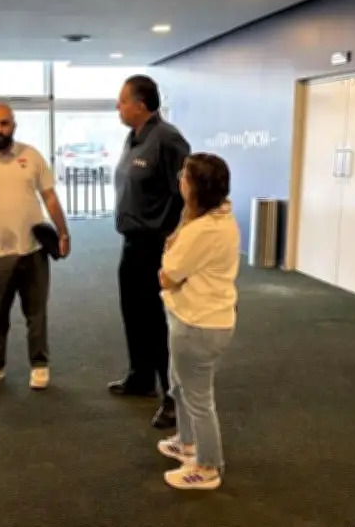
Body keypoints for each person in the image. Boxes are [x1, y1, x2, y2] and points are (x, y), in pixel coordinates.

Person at [0, 102, 70, 391]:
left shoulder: (31, 156)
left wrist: (63, 232)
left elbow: (49, 196)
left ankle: (39, 364)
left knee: (36, 313)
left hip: (33, 250)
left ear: (13, 126)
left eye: (4, 124)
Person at [109, 74, 190, 429]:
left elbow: (187, 195)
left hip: (157, 245)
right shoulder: (134, 137)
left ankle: (172, 396)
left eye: (123, 100)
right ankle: (140, 376)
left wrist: (177, 241)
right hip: (132, 243)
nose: (118, 106)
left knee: (158, 322)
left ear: (141, 105)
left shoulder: (168, 140)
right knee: (134, 313)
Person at [156, 153, 240, 490]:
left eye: (184, 176)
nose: (180, 179)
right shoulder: (220, 217)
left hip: (198, 324)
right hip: (200, 318)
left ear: (194, 187)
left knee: (198, 399)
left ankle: (207, 467)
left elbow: (167, 275)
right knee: (180, 385)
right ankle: (187, 443)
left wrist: (171, 266)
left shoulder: (203, 230)